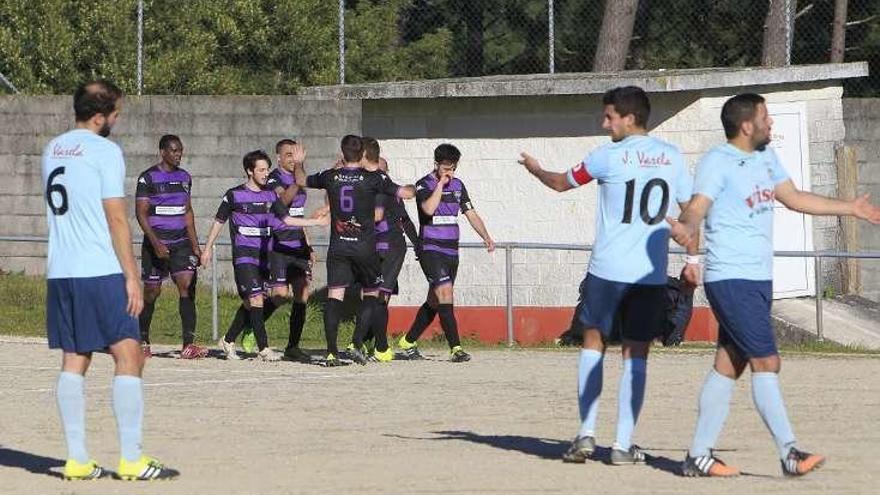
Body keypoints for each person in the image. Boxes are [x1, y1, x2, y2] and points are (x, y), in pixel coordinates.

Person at [668, 93, 880, 477]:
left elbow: (795, 198)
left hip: (756, 277)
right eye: (766, 117)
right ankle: (789, 453)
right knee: (767, 360)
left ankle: (698, 455)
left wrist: (850, 207)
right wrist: (687, 226)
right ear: (747, 125)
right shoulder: (719, 160)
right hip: (731, 277)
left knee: (728, 365)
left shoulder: (766, 157)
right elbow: (698, 205)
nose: (771, 123)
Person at [518, 86, 696, 465]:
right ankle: (621, 445)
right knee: (636, 355)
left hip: (607, 271)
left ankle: (585, 434)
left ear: (629, 118)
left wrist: (535, 170)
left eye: (609, 116)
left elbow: (559, 183)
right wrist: (692, 255)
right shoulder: (671, 157)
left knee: (592, 346)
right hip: (648, 277)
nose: (604, 123)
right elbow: (690, 213)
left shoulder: (606, 156)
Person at [43, 80, 178, 481]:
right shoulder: (105, 151)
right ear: (100, 117)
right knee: (129, 355)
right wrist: (132, 278)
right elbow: (117, 218)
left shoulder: (53, 149)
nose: (118, 119)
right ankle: (132, 459)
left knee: (75, 358)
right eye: (116, 113)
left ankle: (78, 460)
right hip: (98, 270)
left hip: (61, 270)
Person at [294, 135, 415, 366]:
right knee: (372, 293)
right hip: (364, 248)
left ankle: (331, 352)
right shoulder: (373, 178)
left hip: (339, 246)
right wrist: (416, 188)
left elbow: (300, 179)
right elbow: (405, 193)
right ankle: (356, 342)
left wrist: (300, 162)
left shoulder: (330, 176)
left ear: (342, 153)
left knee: (334, 295)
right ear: (362, 155)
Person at [201, 150, 328, 362]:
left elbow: (287, 220)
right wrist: (206, 249)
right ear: (249, 171)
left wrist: (315, 223)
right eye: (261, 169)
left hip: (265, 256)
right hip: (244, 255)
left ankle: (228, 339)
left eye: (267, 169)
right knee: (256, 298)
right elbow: (218, 222)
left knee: (253, 303)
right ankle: (264, 348)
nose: (265, 173)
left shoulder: (271, 195)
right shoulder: (234, 195)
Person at [397, 143, 495, 363]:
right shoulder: (424, 184)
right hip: (430, 249)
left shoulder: (459, 186)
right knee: (446, 294)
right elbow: (428, 209)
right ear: (436, 164)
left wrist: (485, 236)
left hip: (451, 250)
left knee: (435, 300)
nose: (448, 172)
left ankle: (408, 341)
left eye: (452, 168)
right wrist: (440, 184)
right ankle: (456, 348)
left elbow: (471, 213)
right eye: (444, 168)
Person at [347, 139, 421, 363]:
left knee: (379, 297)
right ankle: (374, 345)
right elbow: (385, 216)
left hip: (384, 246)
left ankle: (371, 344)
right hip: (377, 247)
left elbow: (401, 219)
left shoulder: (380, 186)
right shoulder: (374, 186)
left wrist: (418, 243)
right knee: (375, 297)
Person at [135, 134, 207, 359]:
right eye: (174, 151)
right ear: (163, 152)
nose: (178, 155)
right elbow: (141, 213)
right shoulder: (148, 178)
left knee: (187, 284)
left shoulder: (185, 177)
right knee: (151, 292)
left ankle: (188, 344)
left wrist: (196, 246)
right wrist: (156, 243)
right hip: (156, 244)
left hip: (181, 244)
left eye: (180, 150)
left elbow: (187, 212)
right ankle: (142, 340)